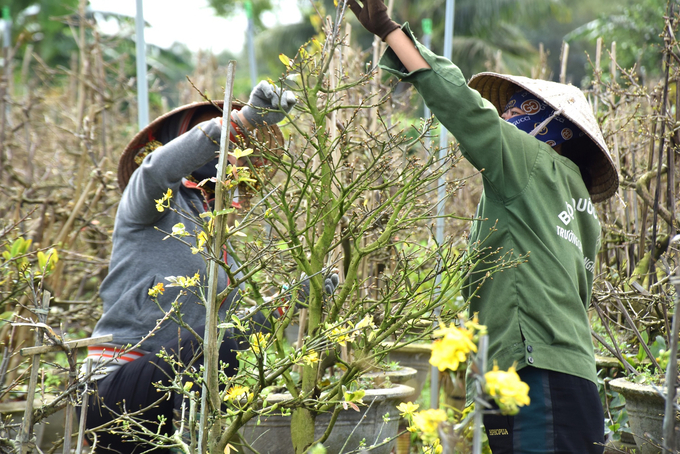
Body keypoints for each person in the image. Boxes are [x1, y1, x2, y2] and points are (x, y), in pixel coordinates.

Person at [348, 1, 618, 453]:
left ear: (547, 125)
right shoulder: (578, 204)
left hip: (534, 373)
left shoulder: (528, 161)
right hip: (562, 371)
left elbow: (462, 107)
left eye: (517, 111)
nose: (507, 120)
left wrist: (391, 32)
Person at [82, 81, 336, 452]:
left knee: (224, 338)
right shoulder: (147, 206)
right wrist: (242, 121)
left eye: (232, 143)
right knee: (212, 342)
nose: (227, 148)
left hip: (172, 397)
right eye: (218, 135)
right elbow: (155, 172)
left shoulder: (215, 235)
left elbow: (228, 330)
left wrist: (288, 302)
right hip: (115, 390)